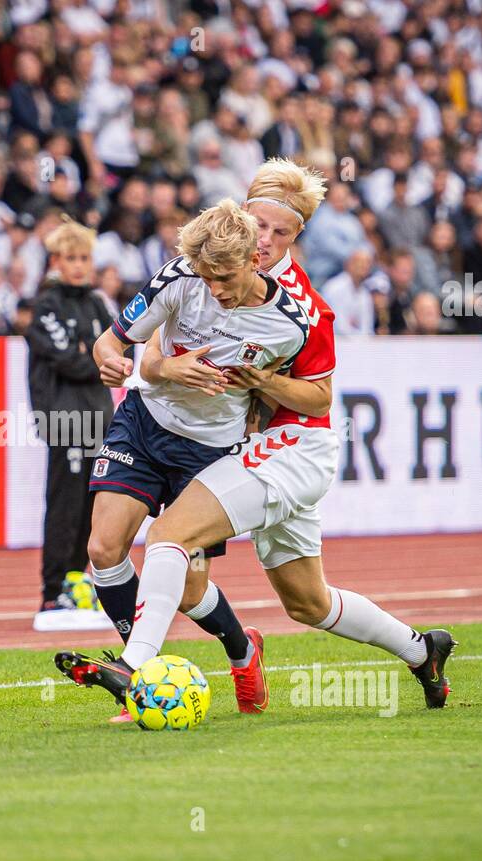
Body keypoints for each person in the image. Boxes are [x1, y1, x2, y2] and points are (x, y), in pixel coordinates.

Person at [56, 161, 458, 714]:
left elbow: (319, 397)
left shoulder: (302, 312)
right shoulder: (205, 264)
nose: (266, 241)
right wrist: (161, 367)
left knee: (169, 537)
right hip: (223, 441)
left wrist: (262, 384)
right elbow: (147, 346)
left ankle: (135, 667)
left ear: (297, 236)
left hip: (287, 446)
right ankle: (422, 651)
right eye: (258, 225)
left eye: (281, 232)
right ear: (239, 217)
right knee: (307, 603)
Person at [79, 198, 312, 721]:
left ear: (255, 258)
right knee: (103, 546)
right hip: (145, 425)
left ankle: (241, 649)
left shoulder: (289, 326)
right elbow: (109, 344)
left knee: (189, 588)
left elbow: (290, 397)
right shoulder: (178, 277)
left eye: (224, 277)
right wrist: (119, 365)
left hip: (210, 453)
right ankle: (135, 675)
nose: (214, 289)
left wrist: (261, 399)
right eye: (206, 277)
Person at [24, 218, 114, 617]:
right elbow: (71, 360)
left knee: (91, 506)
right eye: (71, 258)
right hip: (64, 418)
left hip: (98, 416)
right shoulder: (46, 305)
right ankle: (53, 587)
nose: (79, 266)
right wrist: (95, 358)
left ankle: (79, 580)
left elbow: (115, 351)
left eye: (85, 258)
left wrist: (95, 357)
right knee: (63, 505)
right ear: (56, 261)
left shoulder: (97, 303)